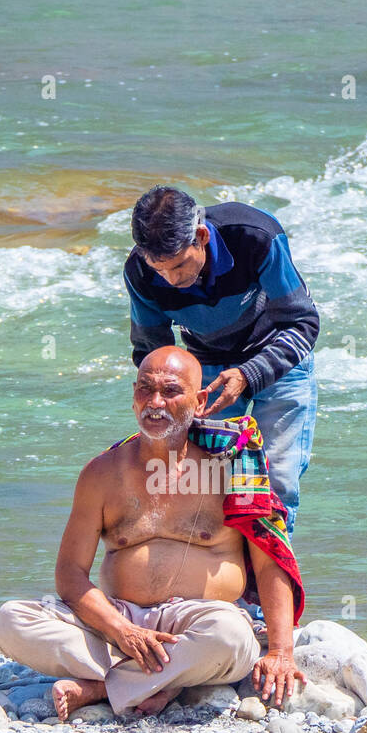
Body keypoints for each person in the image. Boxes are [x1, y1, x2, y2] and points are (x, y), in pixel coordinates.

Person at [0, 346, 305, 720]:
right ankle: (163, 680)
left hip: (200, 619)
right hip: (117, 618)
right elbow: (70, 575)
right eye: (145, 389)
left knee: (231, 639)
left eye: (171, 391)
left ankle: (100, 687)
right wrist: (122, 630)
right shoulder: (101, 473)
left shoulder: (233, 464)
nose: (155, 402)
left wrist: (281, 652)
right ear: (133, 396)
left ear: (200, 400)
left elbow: (270, 560)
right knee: (12, 620)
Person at [123, 186, 318, 540]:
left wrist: (248, 375)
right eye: (160, 269)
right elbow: (153, 351)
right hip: (206, 365)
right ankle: (225, 586)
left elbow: (302, 324)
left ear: (200, 236)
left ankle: (269, 591)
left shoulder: (255, 236)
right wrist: (164, 405)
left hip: (277, 353)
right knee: (209, 482)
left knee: (277, 483)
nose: (172, 281)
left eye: (180, 266)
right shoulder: (139, 271)